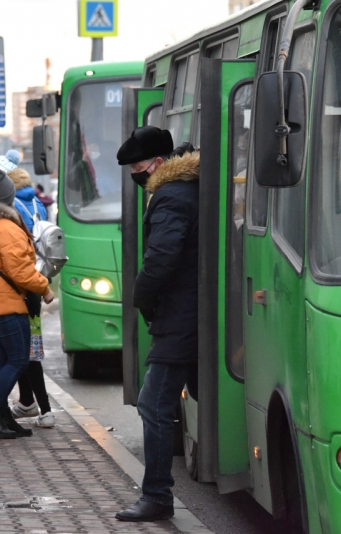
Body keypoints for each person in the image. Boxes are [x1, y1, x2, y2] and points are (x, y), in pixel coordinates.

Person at [114, 126, 201, 522]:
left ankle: (157, 497)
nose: (136, 174)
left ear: (160, 164)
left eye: (138, 166)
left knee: (154, 404)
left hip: (180, 319)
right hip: (187, 315)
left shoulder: (170, 197)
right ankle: (158, 494)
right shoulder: (182, 189)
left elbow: (162, 257)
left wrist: (141, 296)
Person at [0, 166, 55, 439]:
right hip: (9, 301)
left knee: (3, 359)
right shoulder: (6, 228)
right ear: (9, 198)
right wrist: (44, 288)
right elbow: (20, 270)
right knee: (18, 359)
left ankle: (3, 417)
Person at [7, 166, 55, 428]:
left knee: (26, 352)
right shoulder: (37, 202)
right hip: (38, 282)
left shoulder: (12, 207)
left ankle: (45, 410)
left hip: (23, 287)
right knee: (27, 347)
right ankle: (27, 402)